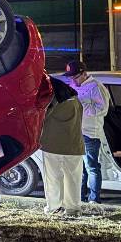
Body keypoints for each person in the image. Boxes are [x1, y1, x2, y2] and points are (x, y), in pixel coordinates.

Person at [64, 60, 111, 204]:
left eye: (75, 77)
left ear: (84, 74)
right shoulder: (73, 85)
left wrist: (82, 107)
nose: (73, 81)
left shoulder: (96, 87)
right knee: (79, 168)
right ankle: (80, 198)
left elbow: (102, 109)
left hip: (90, 133)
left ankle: (94, 200)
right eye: (70, 78)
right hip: (75, 132)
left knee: (92, 167)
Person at [40, 76, 85, 216]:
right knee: (73, 179)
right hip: (75, 146)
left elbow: (43, 119)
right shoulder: (76, 101)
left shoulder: (54, 102)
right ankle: (73, 208)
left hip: (53, 146)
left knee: (53, 178)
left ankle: (54, 207)